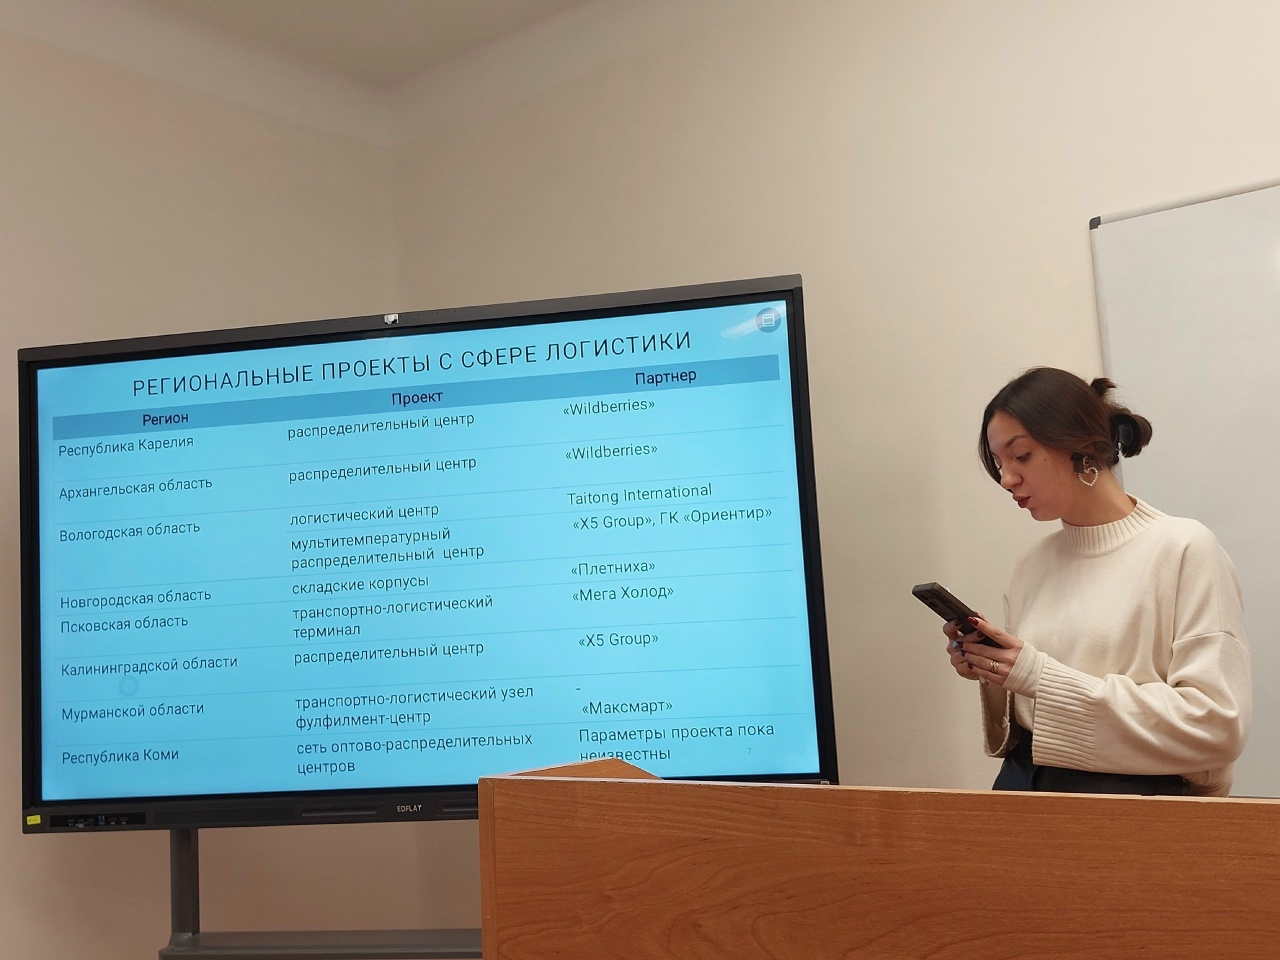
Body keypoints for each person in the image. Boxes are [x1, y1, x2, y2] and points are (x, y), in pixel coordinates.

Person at [945, 367, 1251, 796]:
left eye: (1021, 456)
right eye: (999, 464)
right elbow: (1039, 712)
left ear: (1081, 447)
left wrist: (1036, 674)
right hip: (1023, 787)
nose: (1007, 479)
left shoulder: (1184, 548)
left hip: (1136, 803)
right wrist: (994, 670)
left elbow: (1217, 728)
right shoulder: (1031, 565)